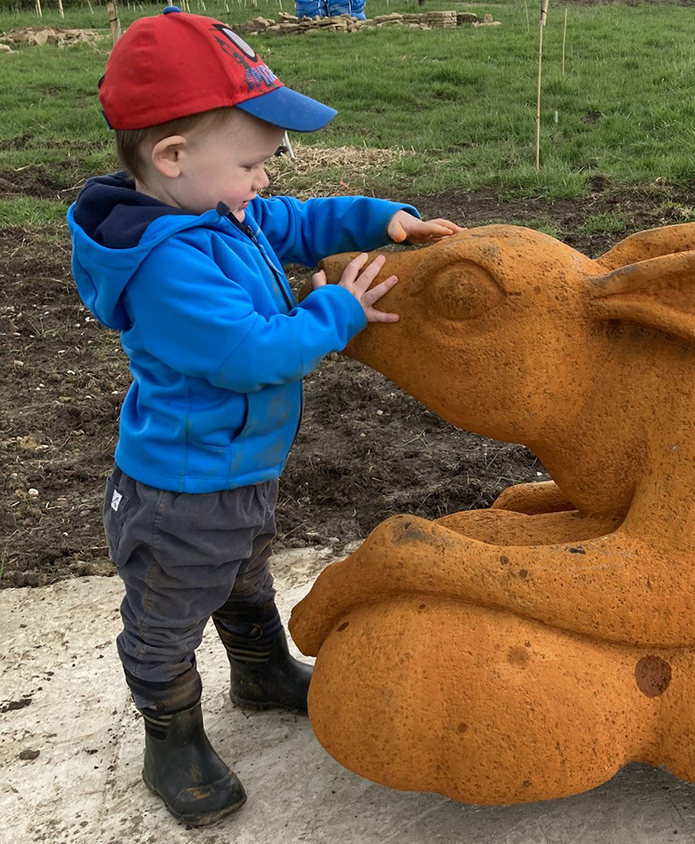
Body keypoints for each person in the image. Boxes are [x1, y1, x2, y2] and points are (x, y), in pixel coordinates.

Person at [66, 6, 461, 827]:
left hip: (235, 468)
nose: (266, 180)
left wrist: (382, 217)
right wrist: (335, 310)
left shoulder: (216, 209)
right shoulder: (166, 264)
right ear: (173, 156)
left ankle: (259, 673)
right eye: (253, 163)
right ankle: (171, 737)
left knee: (243, 573)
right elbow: (251, 355)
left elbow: (295, 221)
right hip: (178, 492)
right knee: (167, 617)